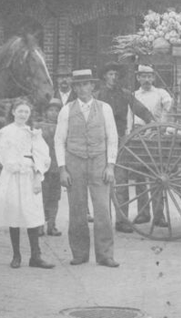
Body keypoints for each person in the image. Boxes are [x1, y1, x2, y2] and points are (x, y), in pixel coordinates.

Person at [55, 69, 120, 267]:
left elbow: (113, 138)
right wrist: (62, 169)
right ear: (74, 88)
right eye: (78, 85)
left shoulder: (105, 108)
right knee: (76, 210)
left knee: (102, 210)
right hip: (74, 162)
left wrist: (110, 166)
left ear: (93, 86)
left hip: (99, 163)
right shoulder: (66, 110)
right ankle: (79, 254)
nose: (82, 89)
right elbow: (59, 141)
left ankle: (105, 255)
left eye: (86, 84)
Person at [0, 99, 55, 269]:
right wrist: (19, 166)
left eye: (26, 112)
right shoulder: (4, 132)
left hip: (29, 177)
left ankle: (36, 256)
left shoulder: (33, 133)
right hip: (12, 176)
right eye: (20, 111)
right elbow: (5, 157)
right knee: (14, 215)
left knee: (32, 215)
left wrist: (37, 175)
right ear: (13, 112)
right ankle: (16, 256)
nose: (23, 115)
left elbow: (42, 155)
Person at [97, 63, 153, 233]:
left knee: (120, 180)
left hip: (120, 140)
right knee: (99, 181)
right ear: (105, 76)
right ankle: (103, 220)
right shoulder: (98, 95)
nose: (113, 77)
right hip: (100, 140)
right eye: (110, 74)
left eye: (115, 74)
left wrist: (153, 122)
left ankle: (121, 220)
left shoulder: (125, 94)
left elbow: (142, 110)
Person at [131, 65, 172, 227]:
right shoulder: (134, 95)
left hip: (156, 137)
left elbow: (170, 108)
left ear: (154, 78)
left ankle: (159, 215)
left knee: (157, 176)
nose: (147, 80)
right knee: (139, 176)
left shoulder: (161, 93)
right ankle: (143, 213)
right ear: (138, 78)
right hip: (138, 137)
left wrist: (162, 123)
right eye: (143, 76)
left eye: (149, 76)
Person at [38, 99, 63, 237]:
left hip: (57, 168)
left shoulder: (64, 126)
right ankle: (39, 225)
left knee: (55, 197)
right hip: (43, 169)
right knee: (42, 197)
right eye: (51, 110)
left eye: (56, 110)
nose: (53, 113)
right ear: (46, 112)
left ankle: (52, 225)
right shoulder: (38, 126)